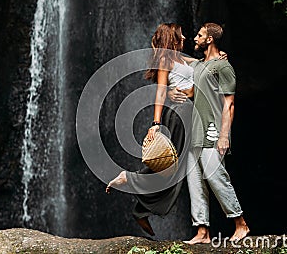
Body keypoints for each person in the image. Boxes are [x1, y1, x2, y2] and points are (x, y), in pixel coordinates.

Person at [105, 23, 228, 237]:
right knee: (176, 167)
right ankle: (129, 179)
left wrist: (218, 56)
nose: (185, 36)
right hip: (180, 114)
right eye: (181, 34)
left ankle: (141, 210)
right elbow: (161, 92)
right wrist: (155, 124)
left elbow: (203, 65)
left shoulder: (182, 58)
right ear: (173, 37)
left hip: (191, 114)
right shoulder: (165, 60)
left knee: (178, 168)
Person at [168, 22, 250, 244]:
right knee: (194, 181)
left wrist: (225, 135)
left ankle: (240, 223)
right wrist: (172, 91)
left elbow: (229, 103)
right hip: (195, 131)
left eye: (200, 35)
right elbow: (190, 83)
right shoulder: (199, 66)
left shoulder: (223, 67)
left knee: (215, 176)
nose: (195, 37)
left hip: (213, 130)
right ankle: (202, 231)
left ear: (210, 39)